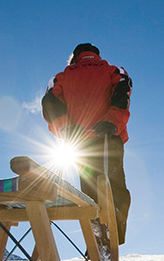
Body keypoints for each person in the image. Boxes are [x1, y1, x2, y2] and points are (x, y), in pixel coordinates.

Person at [41, 43, 132, 247]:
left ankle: (97, 240)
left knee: (89, 191)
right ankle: (113, 238)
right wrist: (112, 122)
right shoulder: (113, 70)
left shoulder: (62, 76)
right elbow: (123, 90)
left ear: (75, 57)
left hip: (80, 143)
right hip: (109, 137)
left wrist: (64, 128)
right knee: (114, 186)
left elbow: (49, 102)